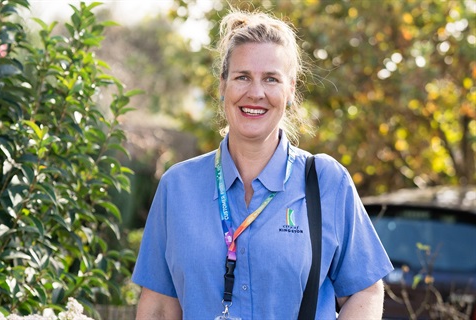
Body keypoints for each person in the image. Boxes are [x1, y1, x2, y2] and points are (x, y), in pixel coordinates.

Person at [132, 9, 393, 320]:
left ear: (290, 90)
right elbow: (160, 307)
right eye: (243, 77)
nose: (255, 93)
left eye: (271, 79)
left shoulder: (327, 181)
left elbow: (366, 289)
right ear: (223, 85)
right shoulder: (178, 186)